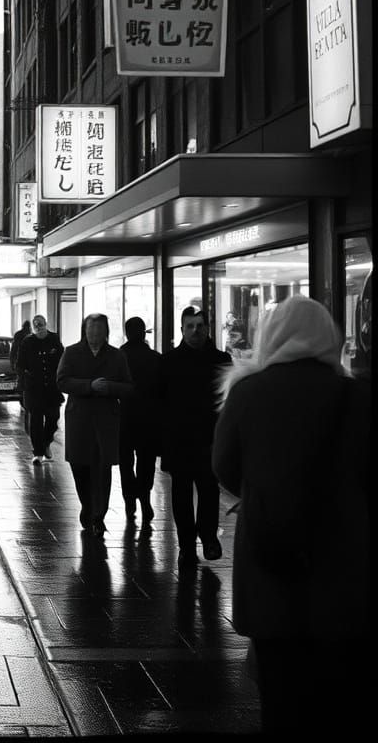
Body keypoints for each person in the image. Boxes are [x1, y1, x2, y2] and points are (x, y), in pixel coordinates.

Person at [212, 296, 369, 734]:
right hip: (343, 557)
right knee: (338, 691)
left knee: (279, 691)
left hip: (270, 553)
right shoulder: (356, 396)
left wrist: (262, 488)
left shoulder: (249, 391)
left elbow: (224, 464)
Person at [159, 306, 232, 569]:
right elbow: (160, 403)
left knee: (209, 489)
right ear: (182, 329)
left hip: (210, 438)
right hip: (179, 439)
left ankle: (209, 536)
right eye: (190, 326)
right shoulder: (168, 362)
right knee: (181, 492)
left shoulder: (222, 360)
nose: (195, 331)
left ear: (207, 329)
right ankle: (186, 543)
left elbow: (228, 401)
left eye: (199, 326)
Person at [56, 313, 133, 535]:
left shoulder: (117, 356)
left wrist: (109, 388)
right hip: (79, 417)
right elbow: (62, 380)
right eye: (90, 329)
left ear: (106, 332)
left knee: (102, 468)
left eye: (99, 329)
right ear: (84, 330)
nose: (94, 334)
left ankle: (99, 514)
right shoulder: (72, 352)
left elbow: (128, 387)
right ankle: (87, 506)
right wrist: (89, 386)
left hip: (105, 419)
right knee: (79, 465)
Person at [118, 316, 162, 524]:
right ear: (143, 332)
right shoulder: (155, 357)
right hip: (149, 419)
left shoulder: (118, 356)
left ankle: (129, 500)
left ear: (126, 333)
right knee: (146, 462)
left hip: (124, 417)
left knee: (126, 462)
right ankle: (144, 497)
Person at [16, 315, 65, 462]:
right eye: (36, 325)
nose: (39, 327)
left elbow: (62, 360)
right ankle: (38, 452)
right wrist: (24, 376)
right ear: (33, 327)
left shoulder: (54, 339)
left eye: (41, 324)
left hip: (51, 388)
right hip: (33, 389)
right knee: (35, 422)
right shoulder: (27, 342)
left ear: (46, 324)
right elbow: (20, 364)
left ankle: (46, 442)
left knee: (53, 418)